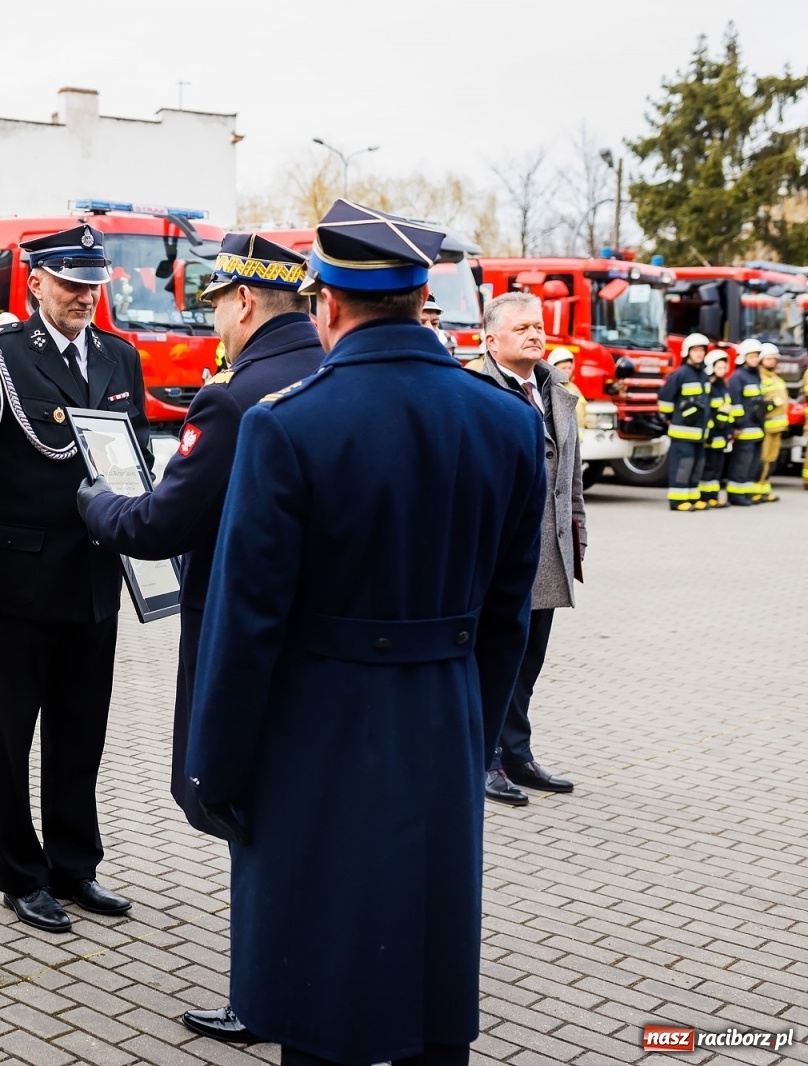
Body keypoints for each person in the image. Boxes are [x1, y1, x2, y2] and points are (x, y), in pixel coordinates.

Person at [187, 199, 545, 1065]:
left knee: (323, 996)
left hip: (318, 733)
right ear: (422, 300)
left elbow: (247, 626)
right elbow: (509, 620)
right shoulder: (508, 421)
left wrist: (215, 769)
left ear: (329, 308)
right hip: (442, 720)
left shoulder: (288, 423)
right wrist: (474, 725)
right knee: (428, 981)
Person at [75, 234, 323, 1043]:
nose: (214, 322)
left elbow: (157, 523)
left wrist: (95, 502)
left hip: (254, 648)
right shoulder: (333, 374)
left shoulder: (233, 398)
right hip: (338, 656)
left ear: (245, 301)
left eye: (216, 304)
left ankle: (259, 996)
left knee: (251, 815)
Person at [0, 223, 147, 933]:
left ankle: (73, 864)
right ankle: (21, 876)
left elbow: (136, 458)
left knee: (81, 730)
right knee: (12, 734)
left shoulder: (121, 358)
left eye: (93, 286)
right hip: (21, 577)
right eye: (70, 284)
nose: (84, 297)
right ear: (36, 283)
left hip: (93, 576)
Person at [476, 293, 584, 807]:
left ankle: (516, 752)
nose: (535, 335)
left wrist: (577, 528)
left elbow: (572, 477)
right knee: (492, 656)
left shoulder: (557, 393)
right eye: (522, 328)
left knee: (529, 658)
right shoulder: (475, 389)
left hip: (547, 551)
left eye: (538, 326)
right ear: (490, 339)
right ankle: (483, 758)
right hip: (496, 554)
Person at [657, 334, 711, 512]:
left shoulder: (703, 375)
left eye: (702, 350)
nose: (699, 354)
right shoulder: (680, 374)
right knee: (683, 465)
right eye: (695, 350)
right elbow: (665, 400)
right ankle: (678, 500)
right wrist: (674, 417)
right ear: (687, 352)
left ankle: (692, 498)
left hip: (699, 433)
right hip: (682, 432)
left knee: (697, 465)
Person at [726, 338, 767, 507]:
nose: (755, 359)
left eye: (756, 356)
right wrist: (738, 425)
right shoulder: (738, 377)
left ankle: (746, 493)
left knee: (752, 464)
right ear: (743, 357)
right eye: (751, 356)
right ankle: (736, 495)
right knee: (741, 464)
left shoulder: (755, 376)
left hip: (757, 428)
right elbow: (735, 403)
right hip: (744, 429)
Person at [700, 349, 734, 508]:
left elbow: (727, 408)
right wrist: (711, 432)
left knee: (717, 468)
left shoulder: (723, 386)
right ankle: (704, 496)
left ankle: (713, 496)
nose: (723, 370)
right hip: (712, 435)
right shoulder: (709, 386)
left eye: (724, 367)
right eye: (719, 367)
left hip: (722, 433)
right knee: (708, 467)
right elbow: (707, 411)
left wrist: (729, 430)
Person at [758, 341, 788, 502]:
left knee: (771, 459)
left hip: (778, 427)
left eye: (773, 359)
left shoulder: (777, 378)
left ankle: (764, 488)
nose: (772, 361)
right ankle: (757, 488)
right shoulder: (760, 378)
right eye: (768, 358)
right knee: (762, 460)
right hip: (766, 426)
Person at [547, 349, 589, 430]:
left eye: (569, 368)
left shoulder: (574, 388)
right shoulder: (549, 389)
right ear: (553, 368)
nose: (567, 371)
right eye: (563, 368)